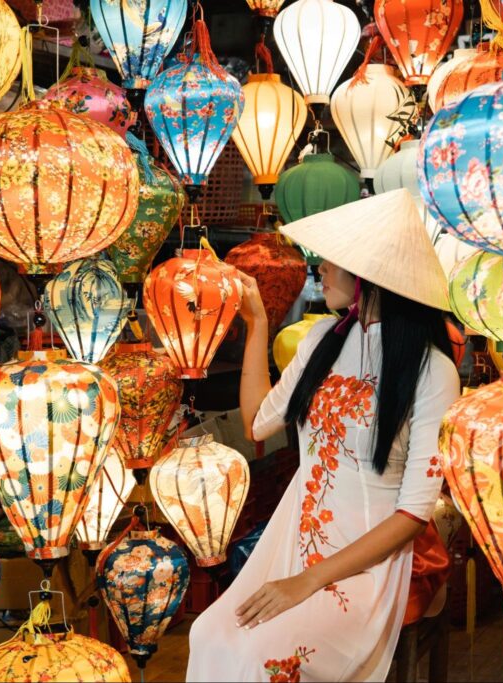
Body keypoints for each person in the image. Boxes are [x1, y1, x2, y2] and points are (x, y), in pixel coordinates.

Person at [187, 189, 461, 682]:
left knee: (263, 659)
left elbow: (413, 515)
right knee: (206, 634)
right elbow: (256, 424)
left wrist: (309, 582)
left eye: (332, 262)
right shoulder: (321, 341)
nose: (321, 271)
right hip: (294, 544)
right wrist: (258, 323)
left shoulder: (432, 371)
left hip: (368, 566)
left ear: (368, 276)